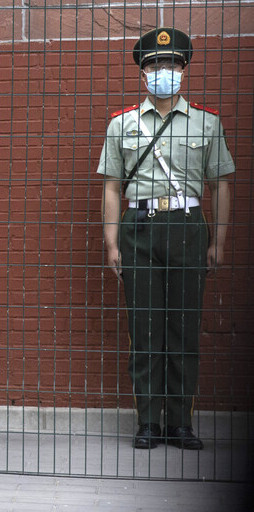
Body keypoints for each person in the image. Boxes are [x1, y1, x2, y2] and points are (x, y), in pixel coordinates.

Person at [98, 27, 234, 450]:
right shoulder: (122, 125)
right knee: (145, 328)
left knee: (183, 329)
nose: (164, 71)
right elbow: (110, 186)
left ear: (183, 69)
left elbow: (222, 184)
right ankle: (147, 421)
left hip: (189, 227)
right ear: (143, 74)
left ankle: (179, 421)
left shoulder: (207, 123)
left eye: (172, 64)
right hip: (139, 228)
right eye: (155, 65)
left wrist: (220, 240)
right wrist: (111, 242)